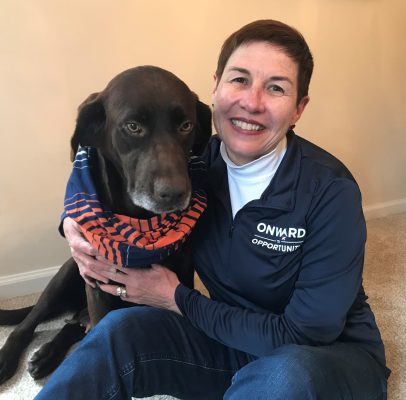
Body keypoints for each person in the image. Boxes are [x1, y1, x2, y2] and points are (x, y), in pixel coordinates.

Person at [35, 19, 389, 399]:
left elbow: (305, 333)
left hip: (324, 358)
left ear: (299, 108)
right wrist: (73, 224)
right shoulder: (193, 166)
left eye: (275, 88)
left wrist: (176, 298)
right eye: (239, 80)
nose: (251, 102)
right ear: (216, 86)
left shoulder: (330, 192)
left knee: (285, 375)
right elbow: (98, 169)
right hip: (227, 342)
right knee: (116, 333)